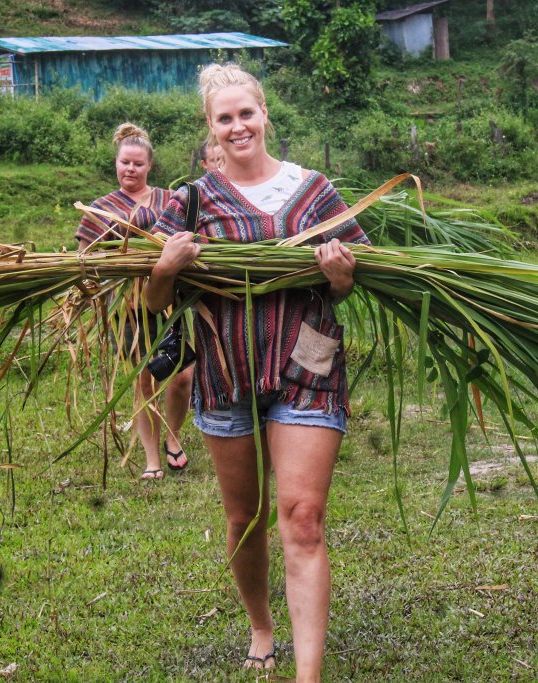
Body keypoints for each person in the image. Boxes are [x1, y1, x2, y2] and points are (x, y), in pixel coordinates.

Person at [145, 64, 368, 682]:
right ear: (211, 131)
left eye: (247, 113)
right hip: (225, 377)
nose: (238, 126)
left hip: (308, 370)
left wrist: (342, 278)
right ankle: (262, 627)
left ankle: (308, 674)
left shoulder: (314, 190)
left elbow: (352, 279)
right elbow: (154, 301)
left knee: (302, 517)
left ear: (265, 114)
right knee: (245, 518)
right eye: (225, 119)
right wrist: (164, 266)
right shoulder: (189, 201)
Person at [76, 122, 193, 481]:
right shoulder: (101, 208)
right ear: (116, 163)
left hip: (171, 302)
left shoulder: (168, 201)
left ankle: (173, 437)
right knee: (144, 382)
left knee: (183, 377)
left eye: (138, 164)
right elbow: (85, 261)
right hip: (126, 310)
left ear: (149, 167)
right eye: (125, 162)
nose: (131, 169)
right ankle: (151, 459)